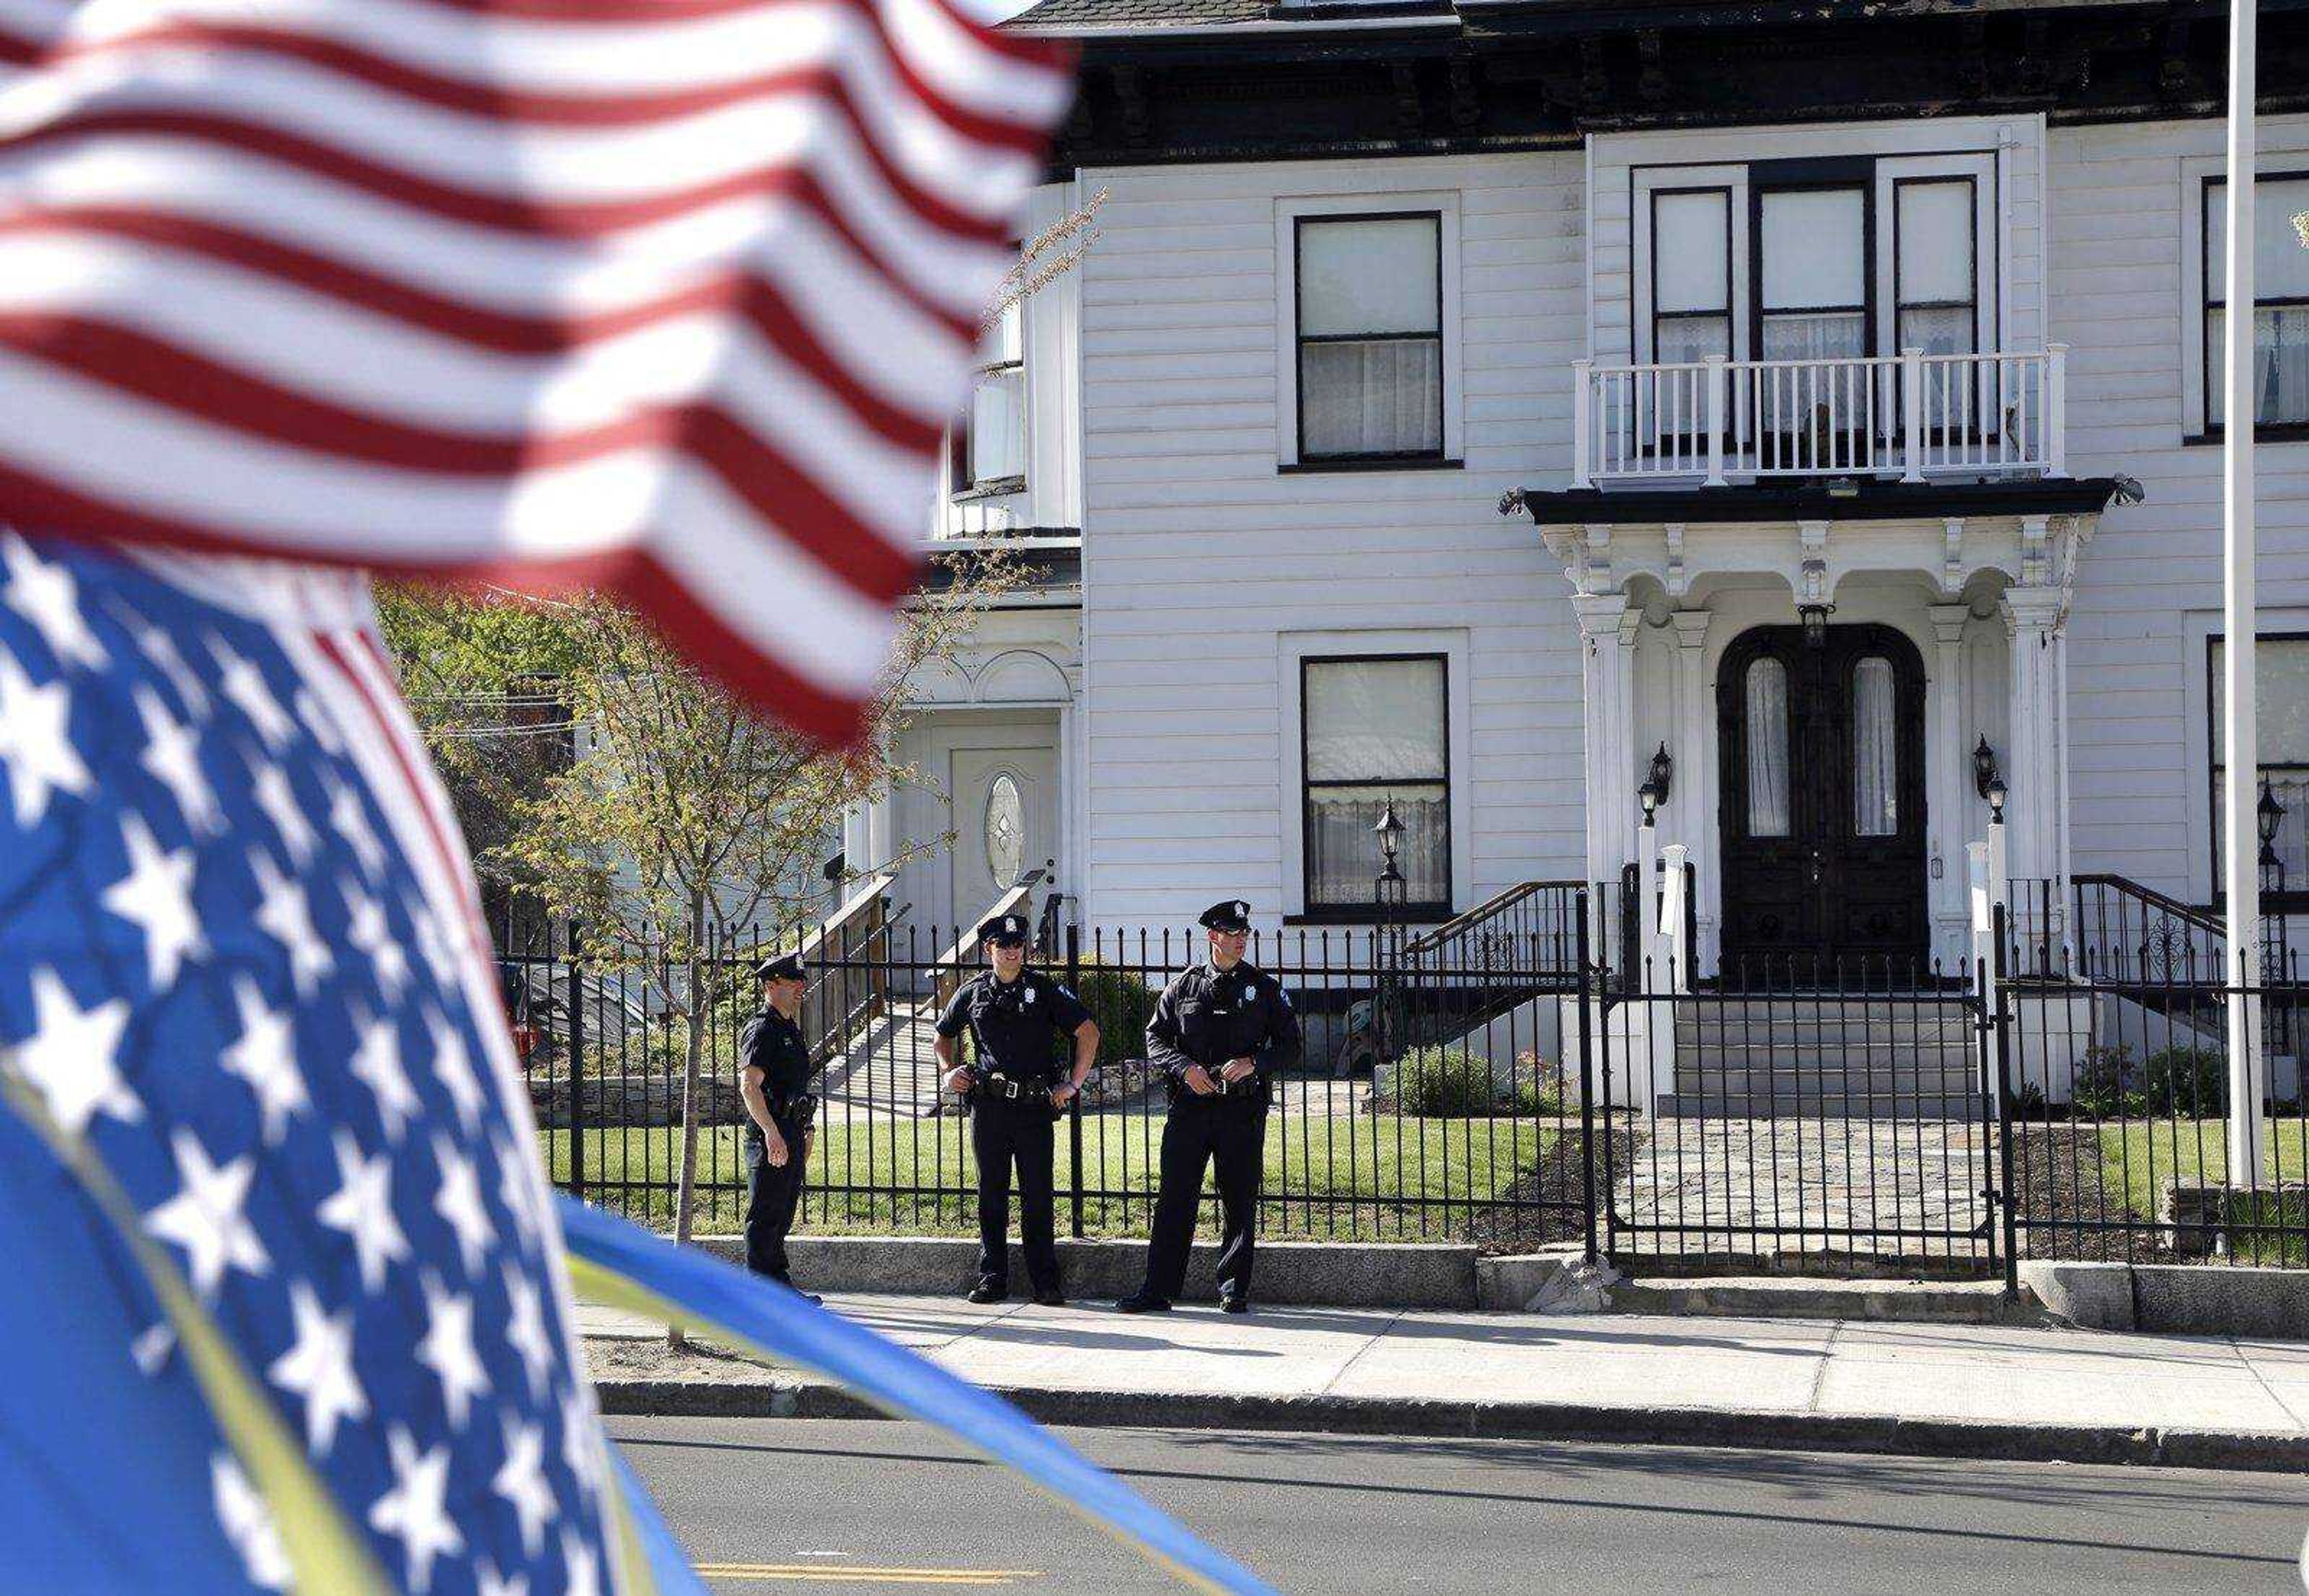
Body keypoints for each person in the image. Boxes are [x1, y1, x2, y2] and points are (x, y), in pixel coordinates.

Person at [1117, 899, 1301, 1315]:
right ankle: (1158, 1289)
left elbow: (1291, 1046)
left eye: (1244, 934)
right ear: (1213, 936)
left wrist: (1254, 1063)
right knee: (1175, 1198)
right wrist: (1184, 1069)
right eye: (1232, 934)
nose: (1240, 941)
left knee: (1238, 1198)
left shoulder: (1265, 989)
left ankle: (1234, 1288)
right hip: (1191, 1109)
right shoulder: (1184, 986)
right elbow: (1156, 1039)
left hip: (1241, 1109)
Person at [936, 912, 1100, 1306]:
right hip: (990, 1109)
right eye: (1004, 946)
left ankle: (1045, 1280)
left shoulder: (1045, 991)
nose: (1012, 952)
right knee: (991, 1194)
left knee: (1037, 1196)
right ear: (989, 949)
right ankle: (993, 1277)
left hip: (1033, 1109)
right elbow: (942, 1037)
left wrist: (1073, 1085)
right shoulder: (972, 992)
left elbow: (1089, 1033)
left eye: (1018, 945)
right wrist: (949, 1071)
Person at [739, 952, 821, 1304]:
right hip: (769, 1133)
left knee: (784, 1209)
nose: (802, 988)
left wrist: (805, 1130)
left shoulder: (789, 1028)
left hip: (791, 1128)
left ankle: (777, 1287)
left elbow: (795, 1085)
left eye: (802, 982)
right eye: (794, 982)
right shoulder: (763, 1029)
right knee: (766, 1213)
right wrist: (771, 1133)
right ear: (771, 986)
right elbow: (749, 1086)